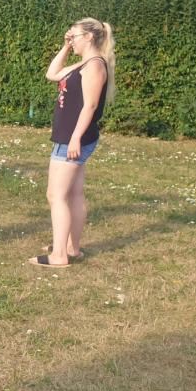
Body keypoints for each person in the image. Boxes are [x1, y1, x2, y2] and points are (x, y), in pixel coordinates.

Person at [31, 18, 114, 267]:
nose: (71, 39)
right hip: (71, 137)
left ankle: (59, 256)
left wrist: (75, 138)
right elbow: (52, 74)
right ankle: (71, 248)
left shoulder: (94, 66)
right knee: (73, 193)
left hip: (72, 139)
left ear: (89, 37)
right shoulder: (86, 63)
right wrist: (66, 47)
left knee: (56, 195)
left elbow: (90, 106)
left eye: (74, 36)